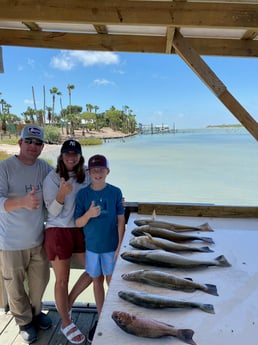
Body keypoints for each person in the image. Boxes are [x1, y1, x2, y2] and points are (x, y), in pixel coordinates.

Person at [0, 125, 53, 344]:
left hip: (38, 239)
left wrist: (97, 184)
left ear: (42, 147)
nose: (33, 146)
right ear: (20, 143)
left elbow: (64, 184)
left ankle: (36, 312)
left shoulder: (45, 168)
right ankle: (23, 321)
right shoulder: (5, 168)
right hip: (10, 242)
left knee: (40, 281)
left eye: (38, 142)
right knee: (14, 285)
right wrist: (22, 201)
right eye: (29, 141)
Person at [43, 139, 93, 345]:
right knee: (61, 280)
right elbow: (52, 211)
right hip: (58, 231)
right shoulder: (52, 178)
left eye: (75, 154)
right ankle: (65, 321)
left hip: (79, 230)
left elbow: (98, 188)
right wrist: (62, 194)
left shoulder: (87, 174)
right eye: (67, 154)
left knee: (94, 269)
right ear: (61, 156)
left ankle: (68, 302)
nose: (71, 157)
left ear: (80, 156)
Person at [74, 154, 125, 343]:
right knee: (97, 282)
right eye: (94, 170)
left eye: (101, 170)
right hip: (92, 248)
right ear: (89, 172)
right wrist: (89, 214)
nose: (97, 173)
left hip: (111, 247)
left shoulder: (116, 192)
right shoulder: (83, 195)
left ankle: (116, 317)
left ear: (107, 172)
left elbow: (121, 220)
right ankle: (102, 316)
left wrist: (120, 245)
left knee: (112, 284)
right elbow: (78, 223)